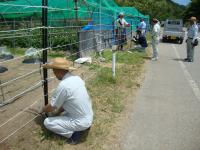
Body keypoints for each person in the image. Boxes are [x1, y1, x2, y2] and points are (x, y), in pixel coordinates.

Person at [40, 57, 93, 144]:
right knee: (61, 114)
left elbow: (52, 107)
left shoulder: (64, 86)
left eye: (54, 70)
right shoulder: (77, 78)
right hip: (88, 117)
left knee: (47, 122)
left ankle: (73, 135)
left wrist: (42, 110)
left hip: (81, 122)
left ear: (58, 71)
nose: (54, 73)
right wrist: (57, 113)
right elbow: (68, 103)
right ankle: (82, 127)